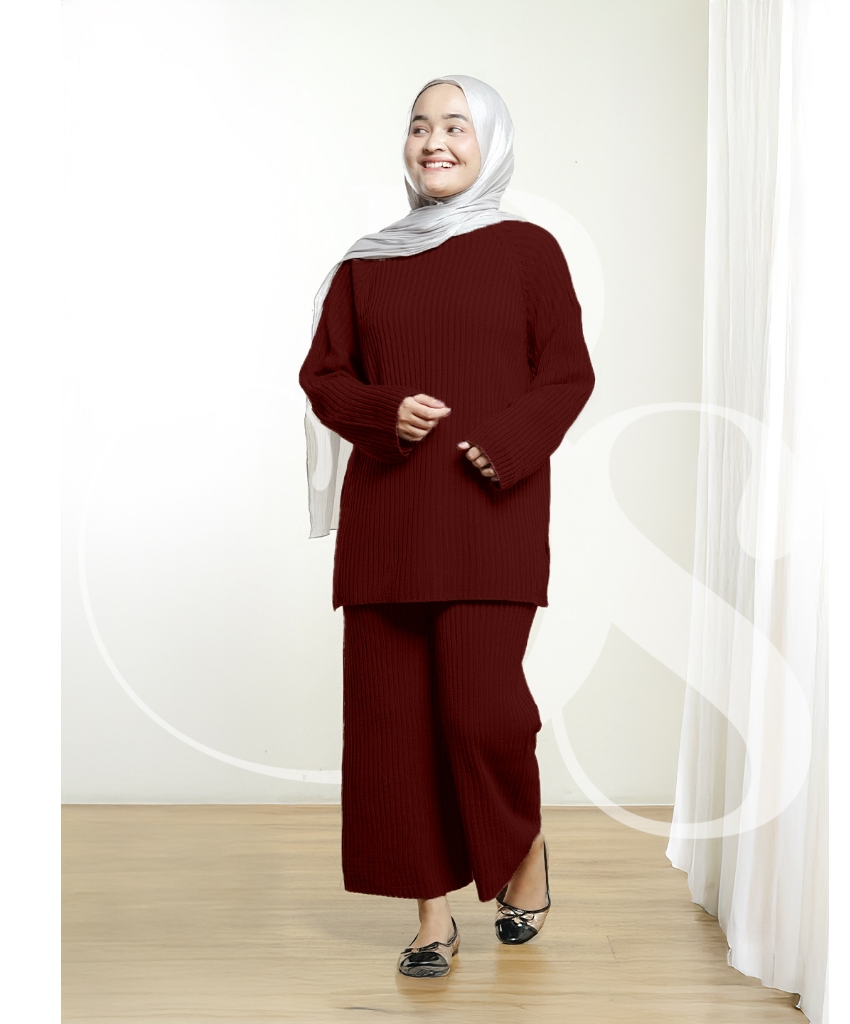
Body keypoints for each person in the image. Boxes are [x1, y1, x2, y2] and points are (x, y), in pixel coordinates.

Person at [298, 75, 595, 978]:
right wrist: (383, 411)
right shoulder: (366, 264)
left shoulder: (529, 250)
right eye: (420, 126)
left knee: (482, 713)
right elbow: (323, 377)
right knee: (394, 733)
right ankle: (432, 918)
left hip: (489, 519)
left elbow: (568, 374)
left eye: (456, 126)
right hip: (388, 527)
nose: (435, 141)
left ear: (489, 142)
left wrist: (503, 445)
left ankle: (520, 847)